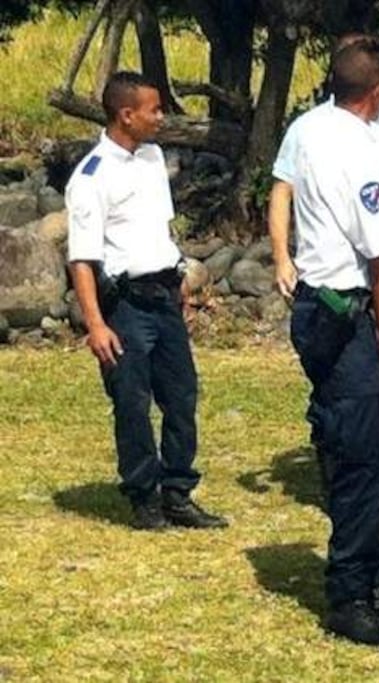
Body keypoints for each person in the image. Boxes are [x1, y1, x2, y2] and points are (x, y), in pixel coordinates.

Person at [283, 38, 379, 647]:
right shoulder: (359, 150)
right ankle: (349, 595)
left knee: (372, 451)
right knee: (358, 460)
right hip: (341, 313)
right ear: (376, 92)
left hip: (322, 309)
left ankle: (376, 582)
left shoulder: (310, 128)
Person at [65, 71, 227, 532]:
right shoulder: (92, 176)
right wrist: (96, 324)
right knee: (132, 403)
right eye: (154, 109)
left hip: (164, 297)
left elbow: (158, 229)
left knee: (181, 396)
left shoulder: (153, 157)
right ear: (126, 114)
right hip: (126, 305)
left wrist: (178, 288)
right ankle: (144, 496)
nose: (161, 117)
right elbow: (82, 259)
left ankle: (178, 491)